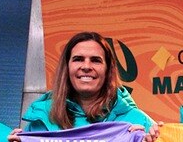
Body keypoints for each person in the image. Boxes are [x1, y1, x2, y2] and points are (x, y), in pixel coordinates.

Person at [22, 32, 154, 131]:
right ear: (66, 68)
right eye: (78, 59)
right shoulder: (42, 121)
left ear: (108, 70)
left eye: (96, 60)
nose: (86, 67)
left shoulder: (138, 122)